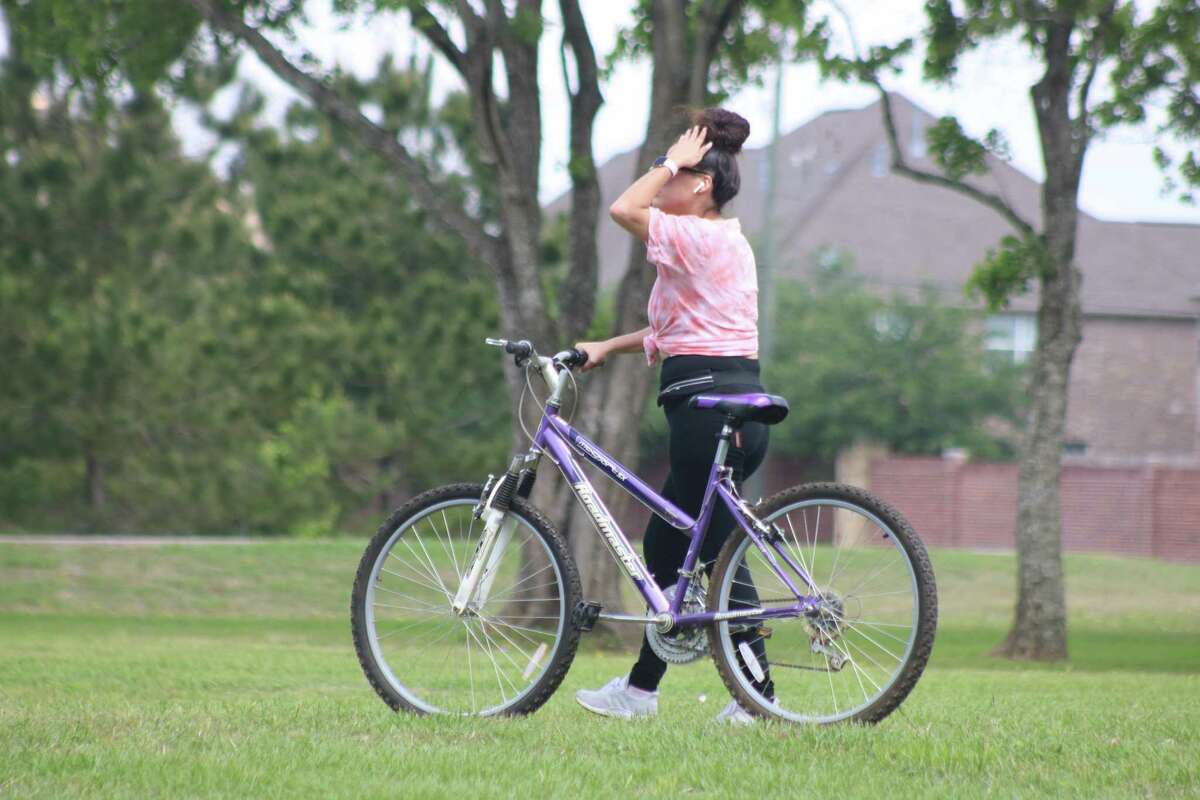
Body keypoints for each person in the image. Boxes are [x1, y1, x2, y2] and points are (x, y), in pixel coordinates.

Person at [572, 108, 773, 725]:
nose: (666, 187)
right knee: (667, 543)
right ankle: (640, 691)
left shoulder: (702, 235)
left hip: (708, 409)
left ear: (701, 185)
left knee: (711, 551)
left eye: (679, 178)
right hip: (725, 403)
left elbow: (624, 211)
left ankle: (758, 698)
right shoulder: (709, 247)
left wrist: (666, 161)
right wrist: (607, 347)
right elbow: (676, 331)